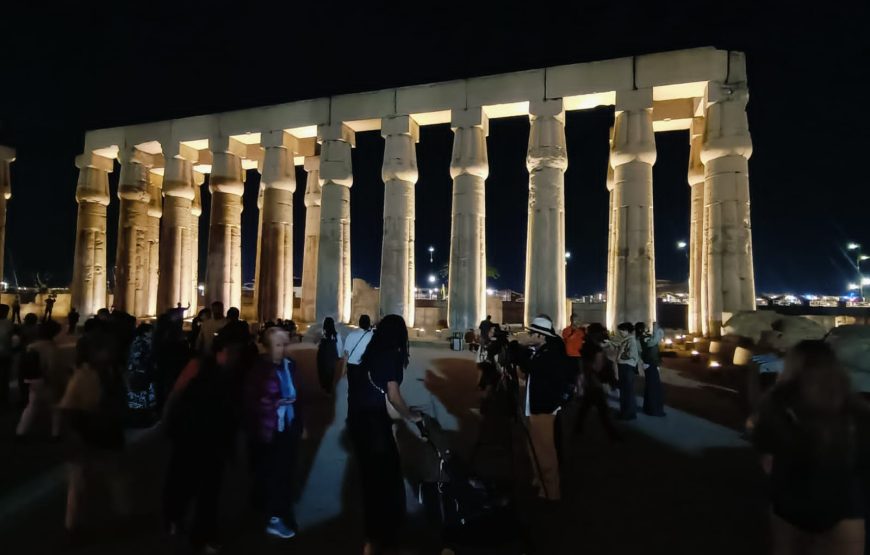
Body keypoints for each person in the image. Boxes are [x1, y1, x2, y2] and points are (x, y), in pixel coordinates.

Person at [752, 341, 870, 555]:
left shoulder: (777, 403)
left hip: (791, 501)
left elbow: (767, 458)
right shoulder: (857, 408)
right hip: (846, 504)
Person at [163, 323, 251, 553]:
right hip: (190, 435)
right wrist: (166, 423)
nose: (237, 355)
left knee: (209, 491)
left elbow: (234, 408)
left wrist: (235, 444)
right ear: (223, 348)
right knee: (183, 482)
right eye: (234, 350)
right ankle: (174, 517)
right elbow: (176, 394)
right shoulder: (199, 364)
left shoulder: (235, 372)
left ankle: (202, 536)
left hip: (215, 438)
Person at [346, 314, 421, 554]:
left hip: (359, 422)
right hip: (376, 424)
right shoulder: (393, 354)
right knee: (387, 479)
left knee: (370, 482)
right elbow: (393, 394)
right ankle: (387, 534)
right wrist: (411, 415)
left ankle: (371, 537)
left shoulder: (372, 351)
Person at [60, 331, 129, 539]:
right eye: (107, 349)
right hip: (88, 434)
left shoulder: (112, 372)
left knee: (115, 479)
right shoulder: (84, 375)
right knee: (81, 484)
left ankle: (121, 517)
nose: (113, 352)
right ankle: (73, 527)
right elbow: (69, 409)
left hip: (107, 432)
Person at [244, 327, 302, 539]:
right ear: (267, 347)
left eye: (286, 344)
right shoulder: (258, 370)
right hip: (268, 429)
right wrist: (276, 402)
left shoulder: (291, 365)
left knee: (283, 473)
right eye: (278, 345)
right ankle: (274, 517)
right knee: (273, 474)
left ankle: (272, 510)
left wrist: (299, 424)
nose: (283, 349)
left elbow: (299, 395)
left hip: (288, 426)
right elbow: (251, 402)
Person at [519, 315, 573, 501]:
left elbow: (530, 367)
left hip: (544, 408)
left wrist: (517, 348)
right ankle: (539, 480)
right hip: (537, 406)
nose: (528, 335)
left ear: (540, 336)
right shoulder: (544, 350)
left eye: (531, 333)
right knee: (534, 446)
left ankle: (551, 491)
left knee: (544, 450)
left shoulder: (550, 354)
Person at [16, 320, 66, 439]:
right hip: (46, 380)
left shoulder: (32, 346)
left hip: (32, 379)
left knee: (32, 405)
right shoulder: (50, 347)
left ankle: (21, 431)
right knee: (55, 407)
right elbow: (52, 367)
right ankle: (55, 434)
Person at [574, 323, 621, 440]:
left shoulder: (585, 345)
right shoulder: (596, 348)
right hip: (595, 383)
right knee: (602, 410)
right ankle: (613, 435)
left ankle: (578, 429)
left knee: (586, 407)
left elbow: (583, 364)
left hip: (590, 381)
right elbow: (597, 367)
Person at [125, 323, 156, 426]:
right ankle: (138, 420)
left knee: (143, 398)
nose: (152, 333)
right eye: (150, 331)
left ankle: (143, 418)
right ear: (145, 332)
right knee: (139, 398)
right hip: (138, 374)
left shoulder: (146, 342)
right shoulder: (139, 342)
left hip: (144, 374)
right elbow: (136, 359)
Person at [636, 322, 666, 417]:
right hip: (649, 364)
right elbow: (652, 342)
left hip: (651, 363)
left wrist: (657, 331)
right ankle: (653, 410)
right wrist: (656, 330)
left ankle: (649, 408)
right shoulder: (642, 338)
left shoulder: (644, 336)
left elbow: (656, 341)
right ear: (641, 329)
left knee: (652, 387)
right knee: (653, 387)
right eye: (645, 328)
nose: (647, 329)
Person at [614, 322, 640, 420]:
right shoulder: (627, 339)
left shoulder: (631, 340)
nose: (620, 333)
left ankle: (628, 413)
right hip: (624, 367)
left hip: (627, 367)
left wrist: (621, 353)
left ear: (626, 330)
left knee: (627, 391)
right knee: (625, 391)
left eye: (621, 331)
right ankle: (626, 412)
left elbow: (632, 355)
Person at [316, 317, 343, 394]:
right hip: (331, 356)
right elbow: (339, 346)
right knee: (330, 372)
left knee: (322, 371)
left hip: (322, 355)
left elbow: (319, 345)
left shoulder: (322, 334)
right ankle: (328, 389)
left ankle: (324, 387)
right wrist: (339, 356)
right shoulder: (336, 335)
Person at [0, 305, 12, 404]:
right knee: (4, 377)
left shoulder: (8, 323)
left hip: (5, 354)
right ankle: (4, 398)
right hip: (5, 354)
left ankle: (4, 397)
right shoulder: (9, 323)